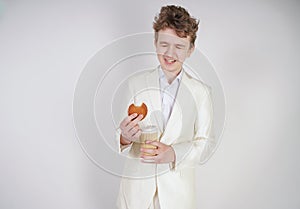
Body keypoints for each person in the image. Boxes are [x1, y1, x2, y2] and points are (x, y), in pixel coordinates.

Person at [116, 5, 217, 209]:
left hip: (177, 197)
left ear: (190, 50)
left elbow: (206, 144)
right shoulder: (135, 83)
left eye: (179, 46)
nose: (170, 53)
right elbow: (119, 134)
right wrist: (124, 136)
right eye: (164, 44)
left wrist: (174, 153)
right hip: (135, 194)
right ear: (155, 43)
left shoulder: (201, 92)